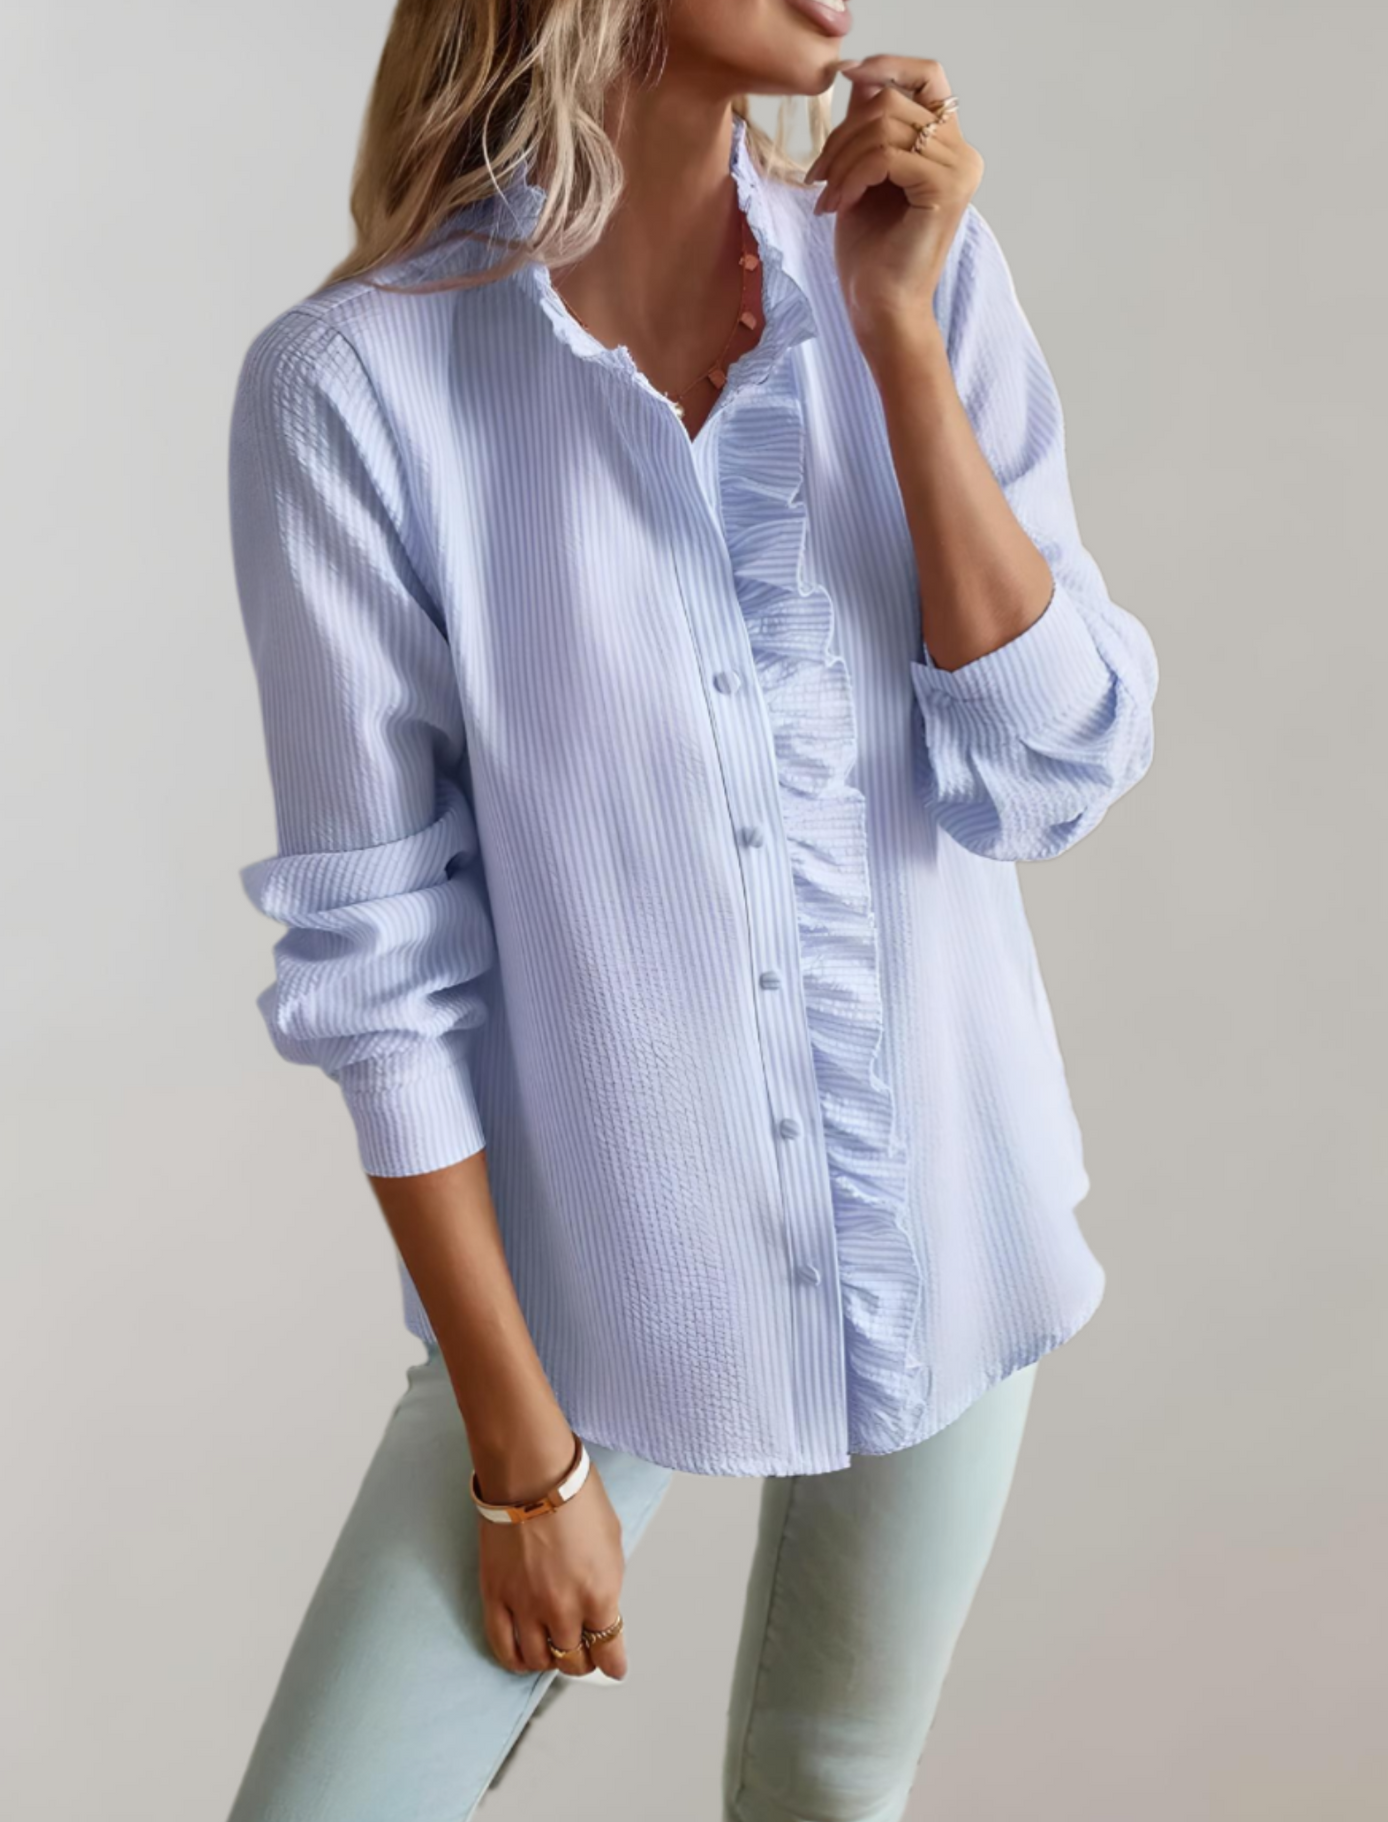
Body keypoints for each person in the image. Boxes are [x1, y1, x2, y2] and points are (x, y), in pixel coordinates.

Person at [223, 2, 1158, 1816]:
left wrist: (898, 341)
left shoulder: (920, 273)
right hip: (595, 1289)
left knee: (827, 1787)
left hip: (943, 1222)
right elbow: (380, 968)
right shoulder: (356, 389)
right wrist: (523, 1461)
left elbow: (1053, 773)